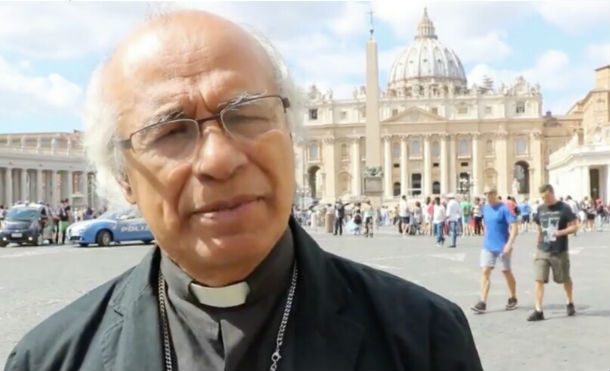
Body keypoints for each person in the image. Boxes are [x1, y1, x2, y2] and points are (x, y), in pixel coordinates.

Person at [3, 11, 482, 371]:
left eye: (247, 114)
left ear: (291, 138)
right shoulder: (46, 360)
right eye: (172, 131)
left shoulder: (425, 339)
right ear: (124, 175)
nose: (218, 160)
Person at [528, 184, 578, 321]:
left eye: (545, 197)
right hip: (542, 250)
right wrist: (536, 248)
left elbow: (575, 226)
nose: (544, 200)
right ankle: (538, 310)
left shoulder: (564, 208)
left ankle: (569, 301)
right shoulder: (540, 209)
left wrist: (561, 232)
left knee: (565, 279)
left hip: (559, 250)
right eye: (542, 197)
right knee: (539, 279)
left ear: (552, 194)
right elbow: (539, 229)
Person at [470, 186, 518, 314]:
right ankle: (482, 302)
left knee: (506, 272)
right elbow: (487, 225)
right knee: (485, 271)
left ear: (495, 194)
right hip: (488, 245)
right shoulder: (485, 208)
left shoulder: (504, 208)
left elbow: (514, 227)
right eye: (485, 194)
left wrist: (509, 243)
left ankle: (513, 297)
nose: (487, 196)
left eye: (490, 193)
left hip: (503, 245)